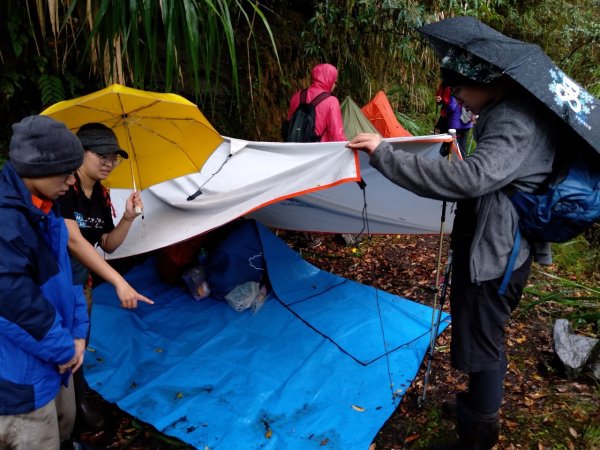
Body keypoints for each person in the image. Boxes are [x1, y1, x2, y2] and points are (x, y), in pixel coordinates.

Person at [347, 47, 559, 450]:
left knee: (483, 343)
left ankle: (477, 433)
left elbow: (471, 178)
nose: (455, 95)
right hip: (497, 245)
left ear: (489, 81)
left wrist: (385, 154)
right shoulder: (509, 109)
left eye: (460, 86)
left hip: (497, 255)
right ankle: (475, 407)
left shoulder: (515, 120)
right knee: (483, 335)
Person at [0, 115, 89, 449]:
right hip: (19, 381)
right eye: (66, 172)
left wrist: (79, 330)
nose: (72, 181)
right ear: (34, 169)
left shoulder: (44, 208)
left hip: (55, 358)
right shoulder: (6, 222)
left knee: (63, 427)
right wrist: (65, 348)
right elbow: (13, 306)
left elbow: (67, 277)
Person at [57, 122, 154, 431]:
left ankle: (78, 401)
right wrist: (119, 282)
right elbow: (73, 240)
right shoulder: (63, 187)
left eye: (114, 156)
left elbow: (108, 244)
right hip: (52, 281)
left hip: (80, 283)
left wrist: (127, 216)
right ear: (80, 153)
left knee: (79, 341)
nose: (109, 162)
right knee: (55, 343)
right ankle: (61, 415)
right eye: (101, 154)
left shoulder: (100, 194)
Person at [287, 62, 347, 142]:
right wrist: (349, 150)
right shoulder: (332, 101)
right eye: (335, 82)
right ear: (330, 80)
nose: (335, 85)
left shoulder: (296, 96)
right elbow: (337, 135)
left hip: (294, 148)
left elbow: (289, 124)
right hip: (318, 151)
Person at [434, 81, 473, 155]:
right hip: (467, 123)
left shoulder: (454, 88)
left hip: (454, 123)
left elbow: (451, 106)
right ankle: (462, 164)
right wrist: (440, 101)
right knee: (462, 147)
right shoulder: (471, 88)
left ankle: (439, 159)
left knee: (449, 145)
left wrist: (445, 109)